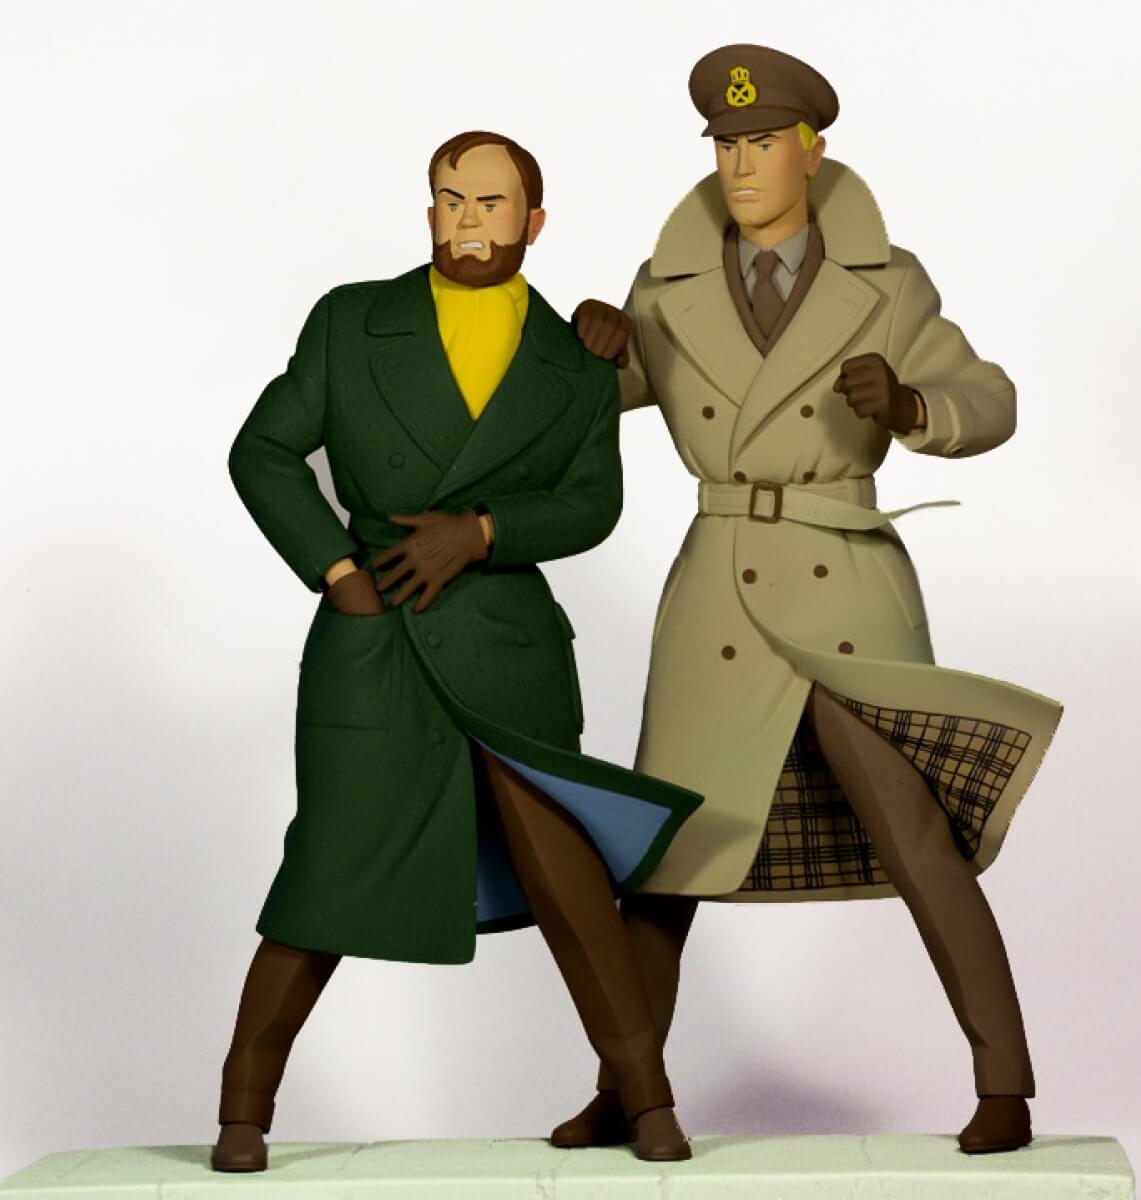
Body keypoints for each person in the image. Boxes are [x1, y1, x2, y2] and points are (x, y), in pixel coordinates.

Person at [568, 44, 1062, 1155]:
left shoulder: (888, 283)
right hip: (718, 586)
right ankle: (624, 1087)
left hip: (844, 576)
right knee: (663, 861)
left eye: (762, 143)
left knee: (917, 837)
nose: (741, 166)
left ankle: (1005, 1084)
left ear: (812, 150)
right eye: (725, 146)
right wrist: (589, 349)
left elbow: (990, 398)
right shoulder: (668, 284)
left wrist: (913, 403)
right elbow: (597, 400)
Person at [211, 129, 702, 1171]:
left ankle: (650, 1099)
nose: (469, 222)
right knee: (328, 873)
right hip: (375, 643)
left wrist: (481, 532)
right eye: (451, 199)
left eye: (491, 202)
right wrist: (338, 575)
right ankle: (241, 1113)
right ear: (430, 209)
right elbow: (262, 450)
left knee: (571, 882)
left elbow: (594, 502)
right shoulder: (353, 321)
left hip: (508, 653)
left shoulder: (576, 359)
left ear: (534, 220)